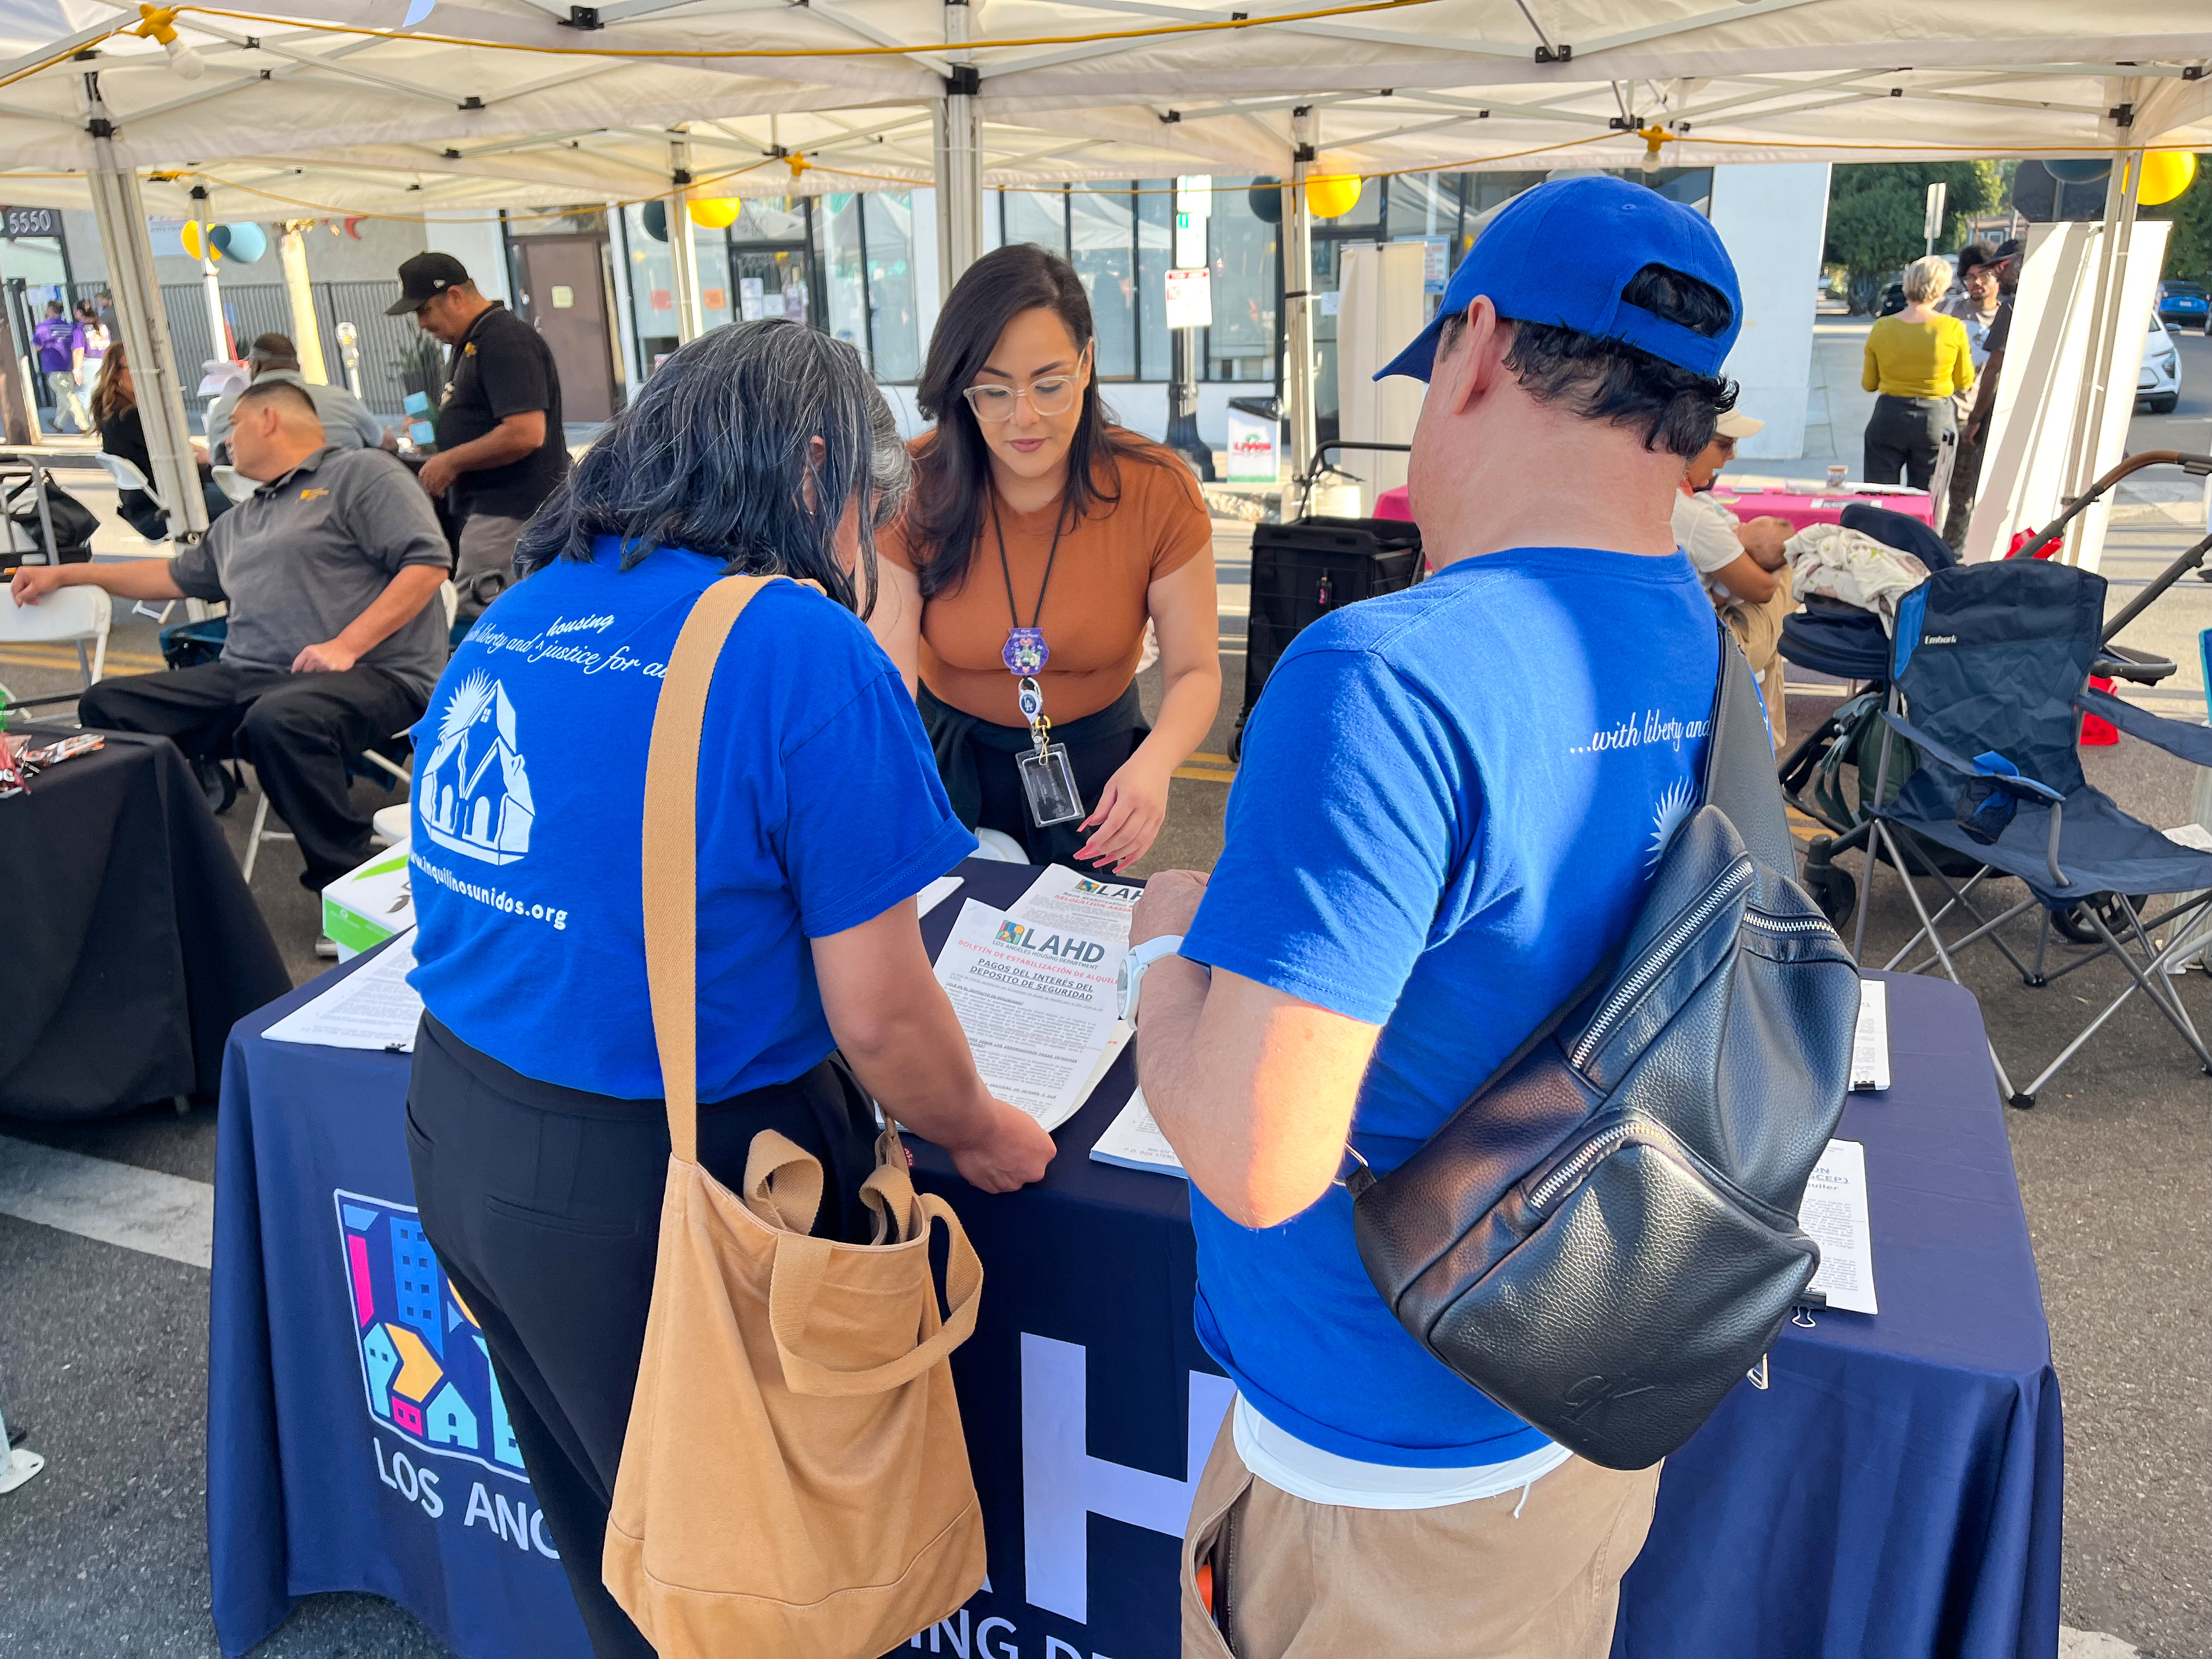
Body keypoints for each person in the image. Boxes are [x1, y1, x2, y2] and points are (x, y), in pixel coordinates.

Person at [1124, 175, 1738, 1659]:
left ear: (1473, 349)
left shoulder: (1384, 675)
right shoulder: (1689, 625)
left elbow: (1259, 1158)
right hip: (1581, 1384)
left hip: (1376, 1463)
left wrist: (1161, 950)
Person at [402, 318, 1054, 1659]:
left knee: (622, 1542)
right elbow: (878, 1014)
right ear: (818, 464)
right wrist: (981, 1131)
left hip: (460, 1128)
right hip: (681, 1180)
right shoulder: (791, 645)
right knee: (756, 1575)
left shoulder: (523, 608)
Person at [12, 379, 452, 890]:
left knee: (282, 721)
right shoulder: (242, 518)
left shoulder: (362, 473)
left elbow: (427, 565)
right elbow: (173, 578)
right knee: (110, 706)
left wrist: (346, 645)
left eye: (233, 425)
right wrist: (68, 573)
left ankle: (348, 886)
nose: (223, 441)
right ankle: (167, 865)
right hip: (250, 675)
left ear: (269, 418)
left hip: (374, 675)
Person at [869, 244, 1220, 873]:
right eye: (993, 392)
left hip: (1099, 771)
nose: (1023, 417)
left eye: (1050, 384)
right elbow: (889, 675)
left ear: (1087, 364)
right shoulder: (914, 486)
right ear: (961, 390)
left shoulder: (1158, 490)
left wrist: (1157, 764)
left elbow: (1196, 671)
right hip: (945, 760)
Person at [388, 251, 567, 619]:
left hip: (510, 511)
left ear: (455, 296)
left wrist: (450, 460)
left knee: (480, 617)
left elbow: (526, 432)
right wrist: (436, 437)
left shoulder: (504, 340)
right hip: (485, 510)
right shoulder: (472, 343)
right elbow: (480, 422)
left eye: (424, 311)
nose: (421, 324)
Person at [1673, 408, 1793, 746]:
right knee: (1787, 574)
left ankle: (1767, 739)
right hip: (1707, 650)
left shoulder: (1658, 500)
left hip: (1678, 639)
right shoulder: (1696, 518)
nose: (1732, 456)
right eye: (1724, 444)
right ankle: (1768, 746)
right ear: (1687, 440)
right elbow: (1762, 589)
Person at [88, 340, 230, 538]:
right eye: (134, 368)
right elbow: (174, 454)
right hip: (162, 507)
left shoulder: (111, 411)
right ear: (117, 373)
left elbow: (173, 447)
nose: (142, 373)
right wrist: (207, 456)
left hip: (143, 503)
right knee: (246, 499)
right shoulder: (130, 416)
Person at [1861, 253, 1974, 498]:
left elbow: (1869, 384)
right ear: (1941, 289)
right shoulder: (1952, 328)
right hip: (1934, 419)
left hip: (1889, 417)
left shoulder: (1883, 328)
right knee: (1926, 501)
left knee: (1879, 497)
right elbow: (1964, 381)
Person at [205, 332, 391, 460]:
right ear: (298, 365)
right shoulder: (340, 398)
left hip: (253, 506)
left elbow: (218, 465)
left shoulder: (225, 409)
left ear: (256, 366)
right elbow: (382, 443)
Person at [1946, 238, 2023, 548]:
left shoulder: (2009, 313)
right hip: (1950, 412)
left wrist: (1977, 418)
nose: (1976, 283)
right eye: (1969, 276)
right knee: (1949, 492)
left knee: (1974, 495)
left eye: (1983, 275)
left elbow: (1995, 369)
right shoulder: (1950, 311)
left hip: (1984, 417)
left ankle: (1965, 551)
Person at [32, 300, 90, 435]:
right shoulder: (68, 327)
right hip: (69, 366)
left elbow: (38, 347)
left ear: (51, 310)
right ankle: (58, 423)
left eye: (47, 309)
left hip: (54, 367)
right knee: (63, 395)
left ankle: (84, 425)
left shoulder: (43, 327)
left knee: (68, 396)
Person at [70, 299, 108, 394]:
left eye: (75, 311)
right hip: (105, 361)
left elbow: (79, 351)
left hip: (89, 364)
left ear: (79, 312)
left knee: (86, 394)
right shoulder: (102, 327)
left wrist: (77, 370)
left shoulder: (79, 330)